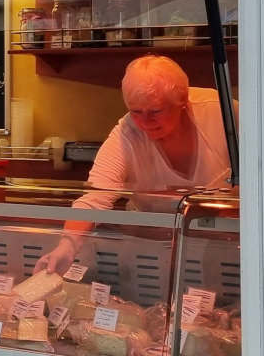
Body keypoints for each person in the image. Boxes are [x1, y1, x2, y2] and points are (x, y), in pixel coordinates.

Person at [36, 54, 237, 272]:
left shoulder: (224, 114)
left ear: (183, 100)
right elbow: (94, 198)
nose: (145, 122)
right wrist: (67, 247)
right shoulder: (127, 134)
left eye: (156, 111)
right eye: (136, 111)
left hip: (225, 250)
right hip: (150, 256)